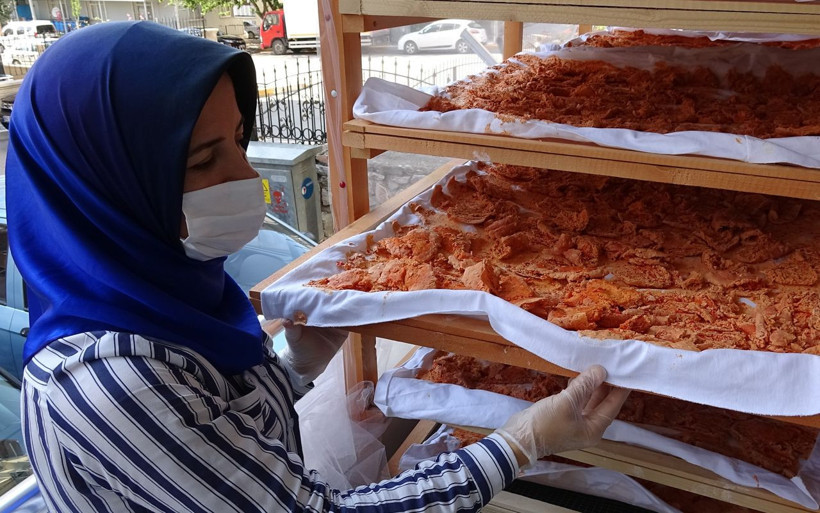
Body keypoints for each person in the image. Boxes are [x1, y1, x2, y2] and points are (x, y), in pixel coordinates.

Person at [8, 22, 630, 512]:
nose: (245, 176)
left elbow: (222, 428)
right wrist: (520, 443)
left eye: (239, 141)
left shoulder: (164, 289)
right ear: (106, 186)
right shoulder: (108, 382)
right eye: (201, 161)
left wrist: (293, 366)